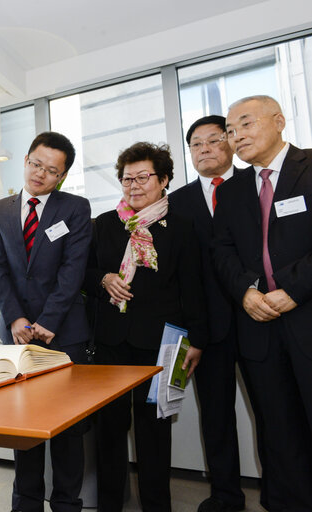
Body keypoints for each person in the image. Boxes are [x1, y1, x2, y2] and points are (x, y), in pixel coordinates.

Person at [85, 142, 207, 512]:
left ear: (164, 179)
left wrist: (197, 341)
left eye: (143, 177)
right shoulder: (104, 224)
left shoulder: (182, 227)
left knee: (156, 434)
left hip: (165, 346)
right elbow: (83, 274)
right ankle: (110, 505)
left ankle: (157, 506)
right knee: (109, 432)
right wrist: (105, 278)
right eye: (126, 179)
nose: (133, 186)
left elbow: (193, 287)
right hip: (110, 345)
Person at [213, 95, 312, 511]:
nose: (237, 137)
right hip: (258, 327)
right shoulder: (233, 190)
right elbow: (222, 250)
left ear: (279, 121)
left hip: (306, 316)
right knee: (277, 429)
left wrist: (294, 288)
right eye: (231, 131)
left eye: (246, 124)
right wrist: (246, 292)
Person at [0, 131, 92, 512]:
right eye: (35, 164)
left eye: (51, 170)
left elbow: (72, 269)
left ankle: (66, 504)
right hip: (17, 338)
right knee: (24, 427)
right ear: (26, 159)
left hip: (64, 334)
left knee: (67, 430)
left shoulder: (76, 208)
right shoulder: (0, 209)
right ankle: (26, 504)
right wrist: (14, 317)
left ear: (61, 176)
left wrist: (47, 320)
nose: (40, 174)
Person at [168, 115, 246, 512]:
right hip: (205, 331)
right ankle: (225, 496)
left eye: (213, 141)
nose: (204, 150)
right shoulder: (176, 202)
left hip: (259, 321)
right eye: (196, 144)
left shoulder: (253, 186)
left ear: (231, 143)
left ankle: (288, 490)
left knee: (276, 410)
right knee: (216, 418)